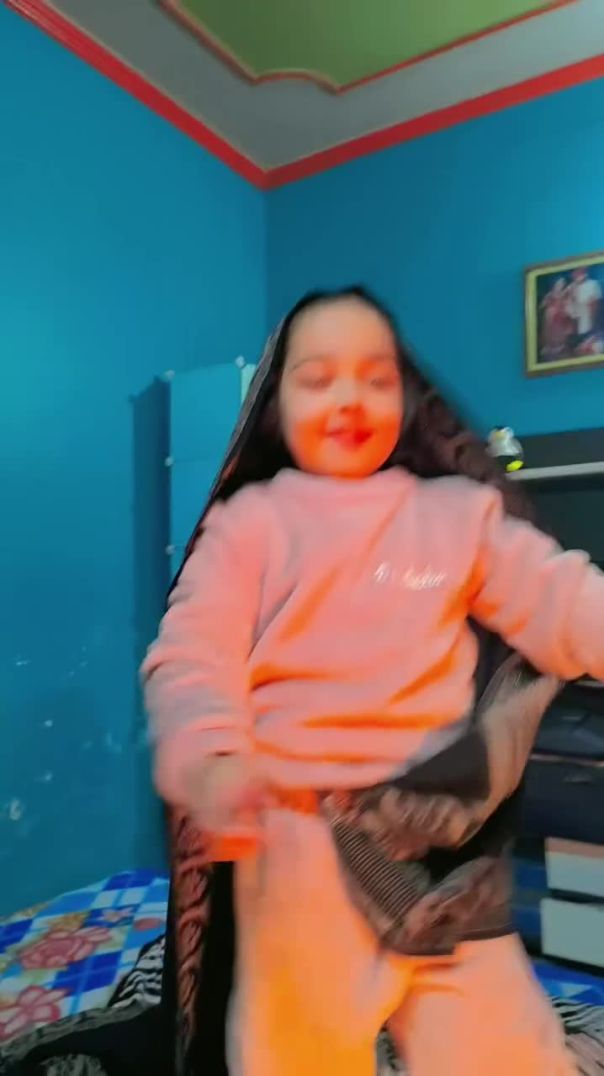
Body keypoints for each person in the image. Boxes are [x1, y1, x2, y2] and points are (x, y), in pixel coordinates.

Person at [140, 285, 604, 1076]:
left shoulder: (456, 515)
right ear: (274, 406)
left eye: (376, 378)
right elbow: (192, 654)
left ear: (409, 398)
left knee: (497, 1039)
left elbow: (557, 595)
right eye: (318, 378)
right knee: (300, 1045)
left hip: (442, 831)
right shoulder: (250, 525)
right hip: (299, 836)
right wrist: (209, 754)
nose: (350, 398)